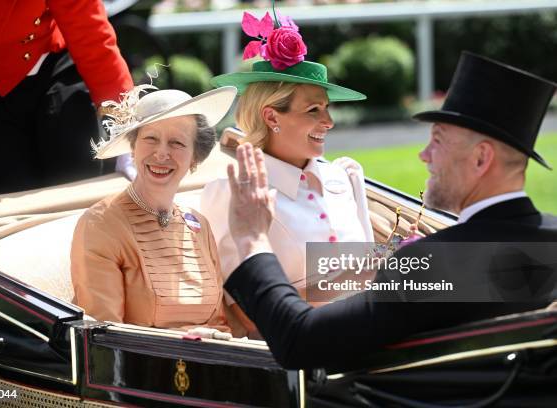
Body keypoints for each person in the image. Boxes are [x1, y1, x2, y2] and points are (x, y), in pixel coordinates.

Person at [222, 52, 557, 371]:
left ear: (481, 159)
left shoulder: (435, 264)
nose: (424, 155)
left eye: (437, 141)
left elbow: (299, 339)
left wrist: (253, 241)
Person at [200, 11, 374, 335]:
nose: (329, 122)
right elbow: (250, 316)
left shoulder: (344, 178)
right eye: (313, 110)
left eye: (327, 108)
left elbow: (372, 276)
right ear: (271, 117)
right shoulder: (231, 193)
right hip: (298, 365)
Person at [71, 85, 237, 332]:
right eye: (150, 138)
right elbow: (103, 336)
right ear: (133, 146)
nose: (161, 153)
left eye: (177, 143)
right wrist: (188, 339)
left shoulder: (199, 225)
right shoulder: (100, 223)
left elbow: (219, 325)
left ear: (195, 157)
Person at [0, 0, 134, 196]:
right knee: (13, 196)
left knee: (77, 179)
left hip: (49, 72)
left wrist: (125, 127)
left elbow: (90, 32)